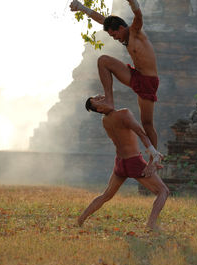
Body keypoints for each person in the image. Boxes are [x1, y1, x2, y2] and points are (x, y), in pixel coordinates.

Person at [70, 0, 160, 154]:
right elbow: (101, 19)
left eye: (114, 34)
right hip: (135, 75)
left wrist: (132, 2)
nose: (114, 38)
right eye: (111, 36)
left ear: (121, 28)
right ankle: (109, 100)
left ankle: (155, 157)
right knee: (103, 61)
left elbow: (138, 15)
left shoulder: (135, 32)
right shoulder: (122, 33)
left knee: (147, 124)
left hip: (148, 82)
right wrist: (81, 7)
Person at [78, 95, 169, 230]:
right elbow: (141, 133)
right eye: (98, 99)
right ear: (100, 108)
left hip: (120, 162)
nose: (102, 96)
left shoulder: (105, 120)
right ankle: (151, 224)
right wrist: (154, 155)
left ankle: (80, 220)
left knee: (106, 195)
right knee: (163, 191)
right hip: (133, 162)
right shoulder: (124, 113)